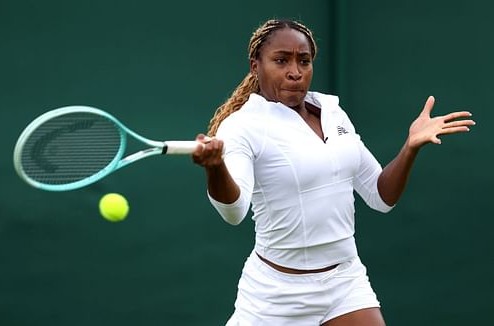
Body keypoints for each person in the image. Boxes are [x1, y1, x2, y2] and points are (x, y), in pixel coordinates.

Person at [192, 19, 475, 326]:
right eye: (281, 60)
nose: (295, 72)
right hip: (275, 294)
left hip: (344, 281)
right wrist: (216, 168)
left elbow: (381, 196)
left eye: (304, 60)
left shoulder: (332, 112)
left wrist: (410, 147)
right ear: (255, 66)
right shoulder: (243, 126)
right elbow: (233, 212)